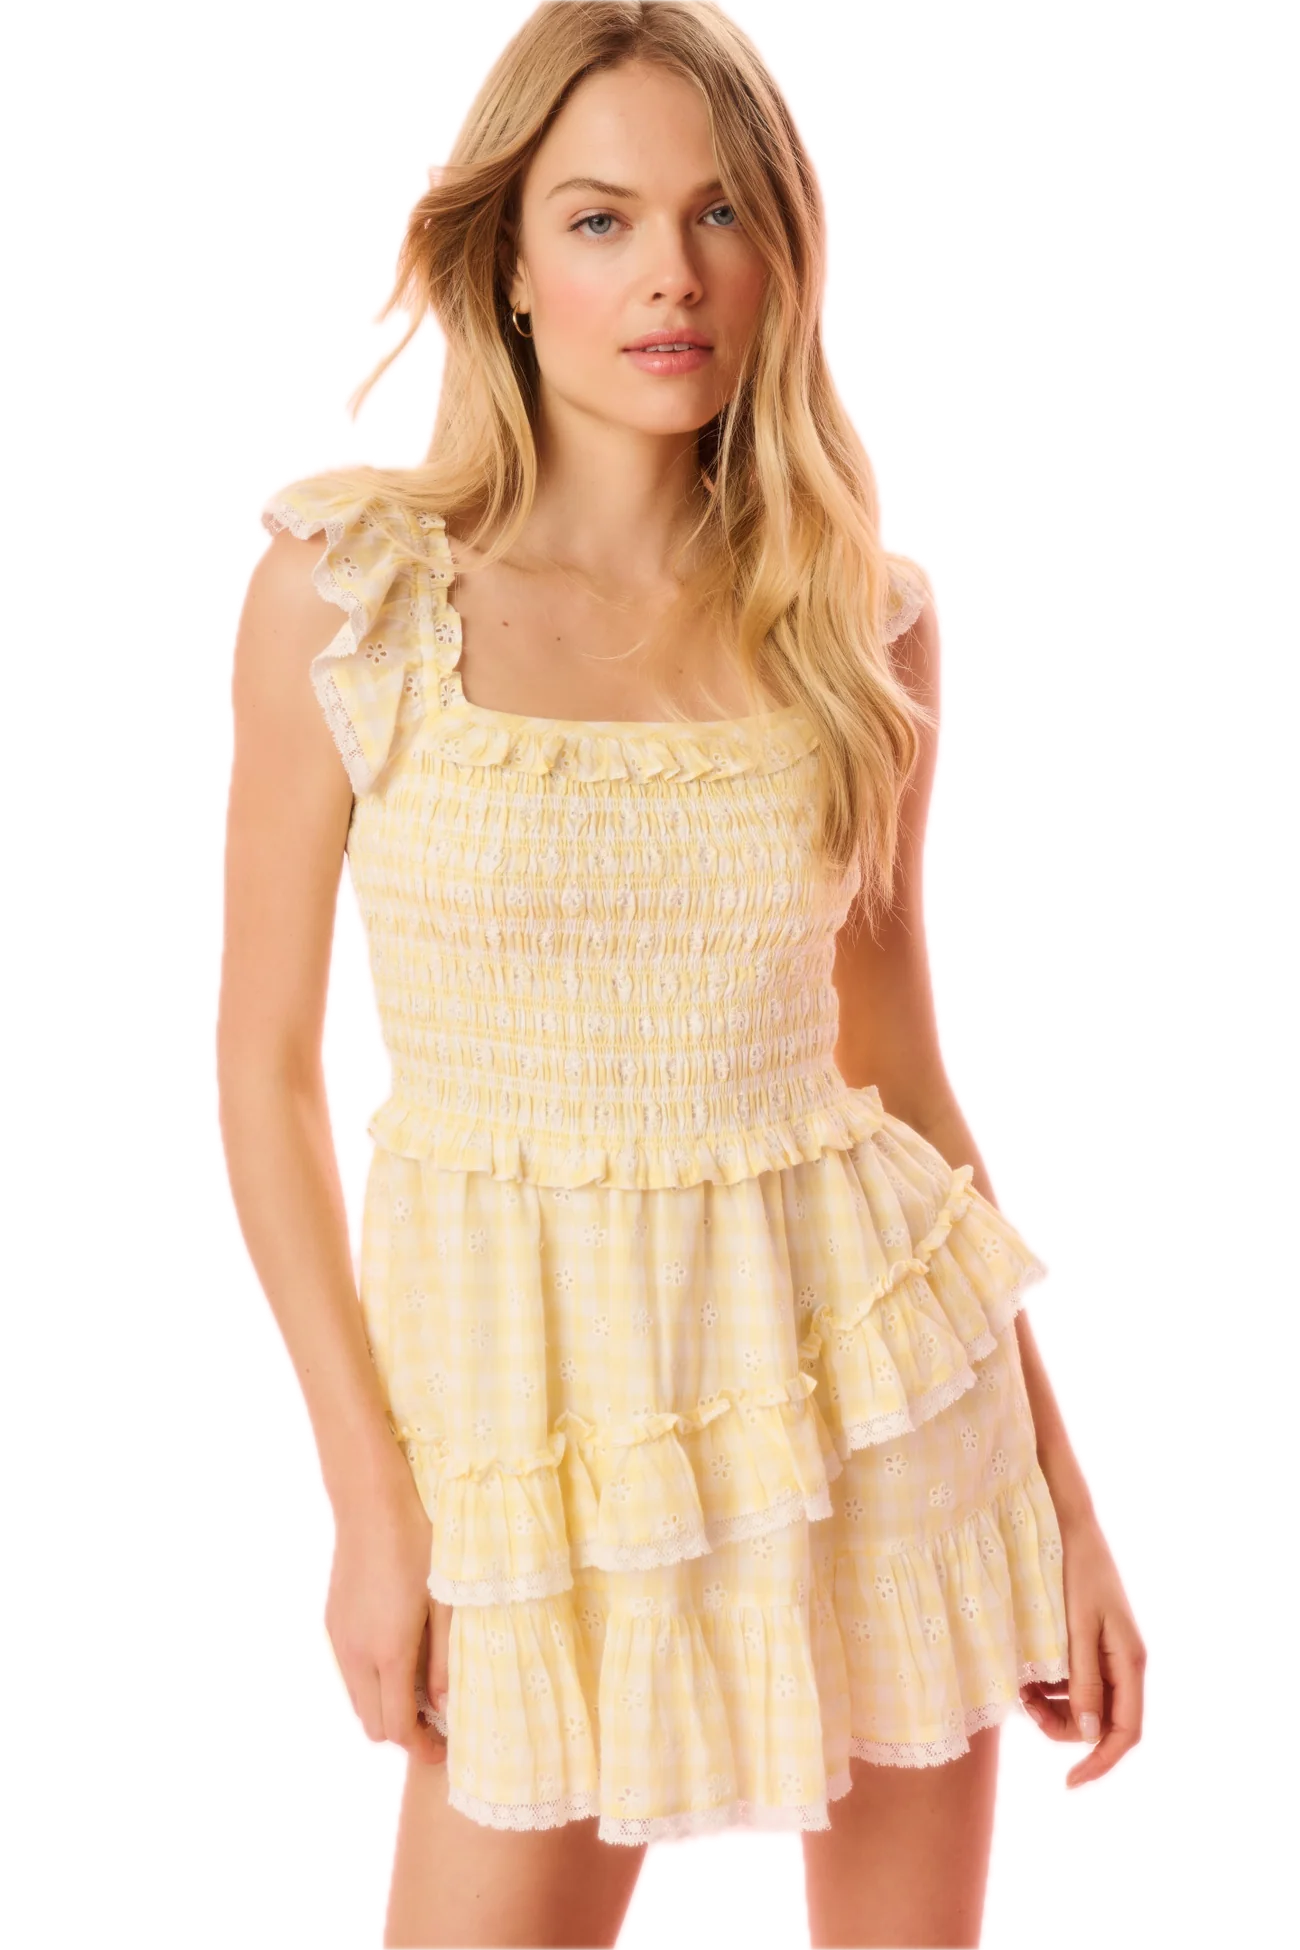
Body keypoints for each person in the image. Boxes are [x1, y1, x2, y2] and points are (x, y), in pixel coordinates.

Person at [212, 4, 1153, 1946]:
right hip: (540, 1447)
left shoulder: (858, 620)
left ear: (782, 251)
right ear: (504, 260)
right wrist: (368, 1506)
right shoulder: (352, 595)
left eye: (720, 212)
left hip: (880, 1411)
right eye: (601, 218)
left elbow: (900, 1075)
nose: (671, 274)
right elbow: (264, 1075)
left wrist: (1068, 1502)